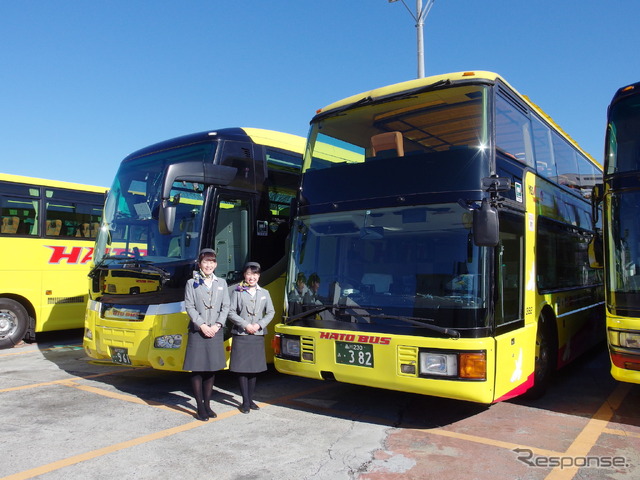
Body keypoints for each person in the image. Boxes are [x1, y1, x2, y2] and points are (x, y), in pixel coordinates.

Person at [183, 248, 230, 421]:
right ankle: (199, 407)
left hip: (215, 331)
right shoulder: (191, 283)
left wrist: (218, 325)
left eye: (212, 262)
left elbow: (226, 306)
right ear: (200, 264)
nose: (209, 265)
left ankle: (208, 405)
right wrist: (202, 325)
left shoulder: (222, 283)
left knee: (211, 369)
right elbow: (189, 306)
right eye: (205, 262)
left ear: (216, 264)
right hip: (198, 331)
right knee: (197, 369)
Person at [227, 262, 275, 414]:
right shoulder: (237, 291)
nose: (252, 277)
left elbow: (271, 312)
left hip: (257, 334)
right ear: (244, 275)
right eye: (249, 274)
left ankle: (250, 399)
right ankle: (245, 402)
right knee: (242, 369)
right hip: (242, 334)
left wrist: (259, 325)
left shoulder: (264, 293)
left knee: (253, 370)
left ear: (259, 275)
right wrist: (245, 325)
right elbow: (231, 312)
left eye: (255, 274)